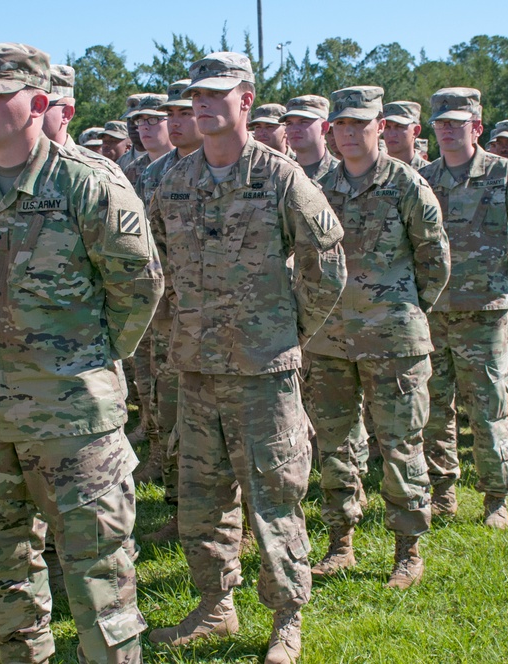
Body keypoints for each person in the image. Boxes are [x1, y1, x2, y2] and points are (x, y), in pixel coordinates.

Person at [0, 42, 163, 663]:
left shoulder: (86, 185)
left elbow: (138, 286)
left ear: (37, 103)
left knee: (99, 579)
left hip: (76, 422)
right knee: (3, 577)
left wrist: (89, 361)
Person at [146, 51, 346, 664]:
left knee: (275, 497)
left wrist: (288, 330)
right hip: (198, 371)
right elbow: (158, 271)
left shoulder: (281, 177)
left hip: (263, 374)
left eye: (216, 95)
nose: (203, 106)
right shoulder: (172, 182)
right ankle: (214, 607)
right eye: (196, 97)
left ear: (246, 100)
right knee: (202, 499)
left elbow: (328, 264)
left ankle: (287, 619)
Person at [304, 85, 449, 586]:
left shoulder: (407, 185)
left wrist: (402, 309)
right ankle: (340, 540)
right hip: (329, 339)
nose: (349, 134)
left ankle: (407, 550)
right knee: (335, 442)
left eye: (359, 125)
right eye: (341, 125)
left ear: (380, 127)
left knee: (400, 442)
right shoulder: (317, 185)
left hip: (394, 339)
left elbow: (435, 260)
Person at [419, 87, 508, 522]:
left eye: (457, 123)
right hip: (434, 312)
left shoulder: (504, 174)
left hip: (485, 313)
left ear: (477, 127)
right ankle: (443, 491)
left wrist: (507, 273)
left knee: (490, 407)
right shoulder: (424, 178)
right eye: (441, 124)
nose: (447, 131)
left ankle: (496, 497)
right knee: (434, 408)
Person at [133, 79, 203, 509]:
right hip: (169, 315)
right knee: (169, 403)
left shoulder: (228, 167)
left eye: (184, 113)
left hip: (225, 318)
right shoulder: (154, 175)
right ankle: (179, 502)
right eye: (170, 114)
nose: (176, 123)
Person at [281, 94, 338, 181]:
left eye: (303, 122)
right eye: (289, 123)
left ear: (324, 127)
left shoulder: (340, 173)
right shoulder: (281, 173)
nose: (294, 130)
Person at [381, 100, 428, 168]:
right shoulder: (374, 172)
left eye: (399, 126)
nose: (391, 134)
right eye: (387, 127)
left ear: (416, 131)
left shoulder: (431, 173)